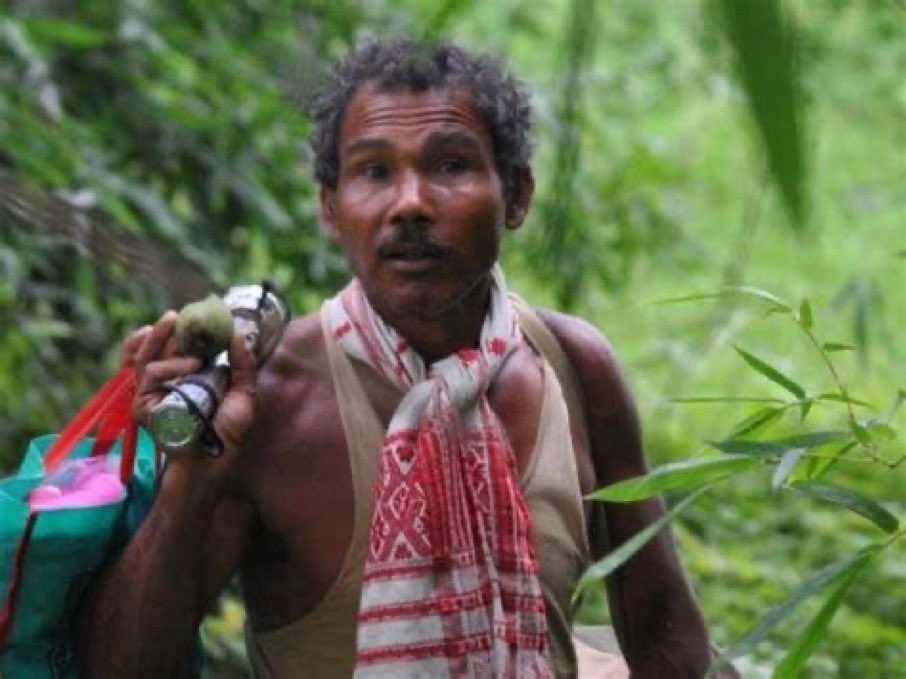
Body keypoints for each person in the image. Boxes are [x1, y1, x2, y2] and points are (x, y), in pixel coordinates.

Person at [77, 38, 718, 678]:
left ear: (517, 196)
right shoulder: (271, 400)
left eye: (450, 165)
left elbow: (665, 634)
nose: (409, 202)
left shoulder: (574, 369)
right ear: (331, 208)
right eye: (374, 172)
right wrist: (192, 475)